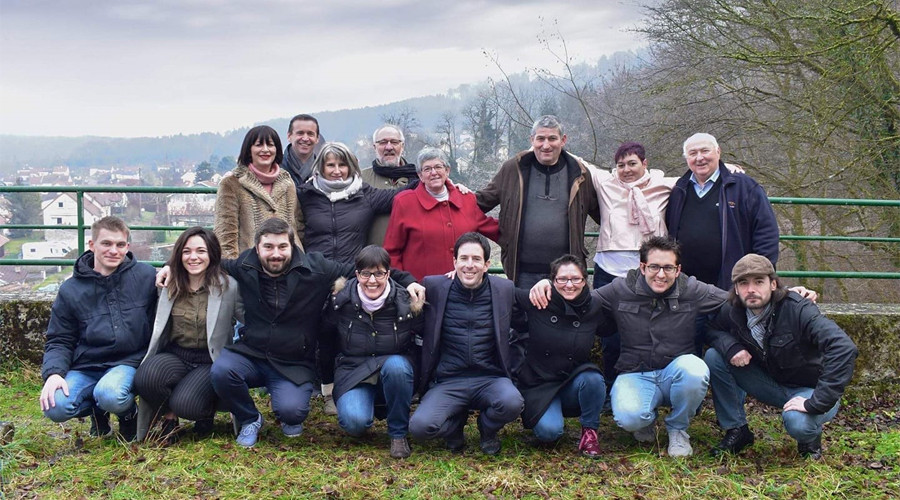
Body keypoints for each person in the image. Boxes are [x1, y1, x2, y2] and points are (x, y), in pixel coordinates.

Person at [159, 218, 424, 448]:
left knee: (293, 412)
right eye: (268, 247)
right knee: (221, 371)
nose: (276, 253)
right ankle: (250, 418)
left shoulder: (315, 268)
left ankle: (288, 413)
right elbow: (207, 262)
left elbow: (362, 270)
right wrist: (170, 266)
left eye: (282, 246)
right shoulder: (244, 266)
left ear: (292, 245)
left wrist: (409, 281)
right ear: (257, 247)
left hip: (293, 361)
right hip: (252, 353)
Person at [530, 237, 727, 457]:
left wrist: (730, 342)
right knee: (629, 418)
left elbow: (730, 301)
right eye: (654, 267)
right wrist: (548, 285)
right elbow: (581, 299)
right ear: (642, 267)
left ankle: (678, 428)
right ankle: (645, 420)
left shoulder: (691, 288)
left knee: (695, 370)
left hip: (676, 372)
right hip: (636, 373)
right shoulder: (621, 289)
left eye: (668, 268)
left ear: (678, 269)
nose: (661, 274)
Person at [705, 254, 857, 459]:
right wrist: (731, 346)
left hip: (810, 390)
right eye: (743, 283)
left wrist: (816, 402)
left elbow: (843, 347)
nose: (751, 289)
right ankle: (737, 430)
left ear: (773, 284)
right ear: (736, 289)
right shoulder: (733, 310)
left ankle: (810, 438)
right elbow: (711, 329)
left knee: (798, 422)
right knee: (715, 356)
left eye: (759, 282)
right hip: (769, 383)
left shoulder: (798, 308)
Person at [39, 216, 157, 441]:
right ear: (92, 245)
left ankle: (128, 414)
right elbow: (59, 339)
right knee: (55, 406)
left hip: (129, 362)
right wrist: (54, 373)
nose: (114, 250)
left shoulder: (146, 276)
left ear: (127, 247)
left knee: (110, 394)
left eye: (120, 245)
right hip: (87, 366)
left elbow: (179, 279)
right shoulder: (70, 290)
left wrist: (170, 271)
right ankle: (97, 410)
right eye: (106, 243)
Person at [408, 233, 524, 456]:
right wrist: (409, 285)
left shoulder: (504, 289)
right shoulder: (434, 287)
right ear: (454, 262)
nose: (469, 265)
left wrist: (515, 366)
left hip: (490, 378)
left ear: (487, 264)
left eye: (476, 259)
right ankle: (454, 426)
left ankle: (487, 428)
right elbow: (410, 313)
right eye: (463, 258)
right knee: (420, 428)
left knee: (512, 402)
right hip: (448, 380)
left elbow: (524, 323)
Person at [134, 227, 243, 444]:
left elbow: (248, 319)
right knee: (145, 378)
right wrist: (167, 267)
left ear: (212, 254)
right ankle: (169, 417)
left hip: (209, 360)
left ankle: (205, 409)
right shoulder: (168, 284)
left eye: (201, 251)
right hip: (176, 355)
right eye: (187, 251)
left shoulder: (229, 287)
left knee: (187, 405)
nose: (193, 257)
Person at [476, 115, 600, 288]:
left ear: (563, 140)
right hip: (521, 272)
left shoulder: (579, 174)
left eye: (552, 138)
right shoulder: (513, 169)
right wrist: (449, 192)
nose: (546, 145)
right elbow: (481, 202)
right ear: (532, 140)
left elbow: (604, 214)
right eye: (540, 138)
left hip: (566, 275)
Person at [325, 246, 423, 459]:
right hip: (353, 371)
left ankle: (398, 433)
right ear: (357, 274)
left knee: (397, 366)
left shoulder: (406, 301)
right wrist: (326, 382)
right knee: (354, 423)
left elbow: (424, 340)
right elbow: (326, 340)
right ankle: (367, 406)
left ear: (388, 274)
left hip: (395, 369)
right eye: (365, 274)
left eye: (379, 273)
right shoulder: (340, 301)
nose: (372, 280)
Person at [512, 254, 611, 458]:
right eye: (562, 279)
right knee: (549, 433)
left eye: (575, 279)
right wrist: (459, 275)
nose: (569, 285)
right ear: (553, 280)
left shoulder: (594, 307)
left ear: (585, 281)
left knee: (593, 379)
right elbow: (503, 292)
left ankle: (590, 433)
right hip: (539, 384)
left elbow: (612, 326)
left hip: (572, 381)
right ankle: (548, 417)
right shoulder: (539, 299)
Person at [665, 133, 779, 292]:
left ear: (718, 152)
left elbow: (766, 233)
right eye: (693, 153)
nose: (699, 158)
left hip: (732, 286)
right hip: (687, 287)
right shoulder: (679, 190)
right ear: (686, 158)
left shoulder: (744, 187)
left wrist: (759, 275)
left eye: (705, 151)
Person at [383, 147, 500, 280]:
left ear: (447, 171)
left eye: (438, 167)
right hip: (421, 288)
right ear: (420, 176)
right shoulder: (405, 202)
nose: (434, 173)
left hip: (463, 287)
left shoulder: (466, 199)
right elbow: (392, 252)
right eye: (427, 169)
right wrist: (406, 283)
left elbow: (492, 228)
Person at [296, 142, 400, 264]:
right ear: (321, 167)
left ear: (350, 167)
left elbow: (399, 196)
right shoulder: (306, 194)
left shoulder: (365, 194)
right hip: (315, 271)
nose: (337, 171)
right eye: (330, 165)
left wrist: (418, 176)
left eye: (342, 165)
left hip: (352, 271)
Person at [215, 125, 304, 259]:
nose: (265, 149)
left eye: (270, 145)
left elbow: (298, 225)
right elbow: (225, 233)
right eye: (258, 145)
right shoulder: (232, 184)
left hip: (289, 261)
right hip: (249, 263)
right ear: (248, 150)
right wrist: (232, 265)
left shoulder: (287, 182)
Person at [362, 124, 418, 246]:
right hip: (372, 255)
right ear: (374, 147)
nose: (389, 147)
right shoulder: (361, 178)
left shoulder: (418, 177)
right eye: (383, 142)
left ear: (402, 146)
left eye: (394, 142)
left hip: (410, 253)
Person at [282, 114, 325, 187]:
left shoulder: (323, 171)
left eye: (310, 134)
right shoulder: (275, 168)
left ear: (317, 138)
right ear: (289, 136)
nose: (305, 138)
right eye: (300, 133)